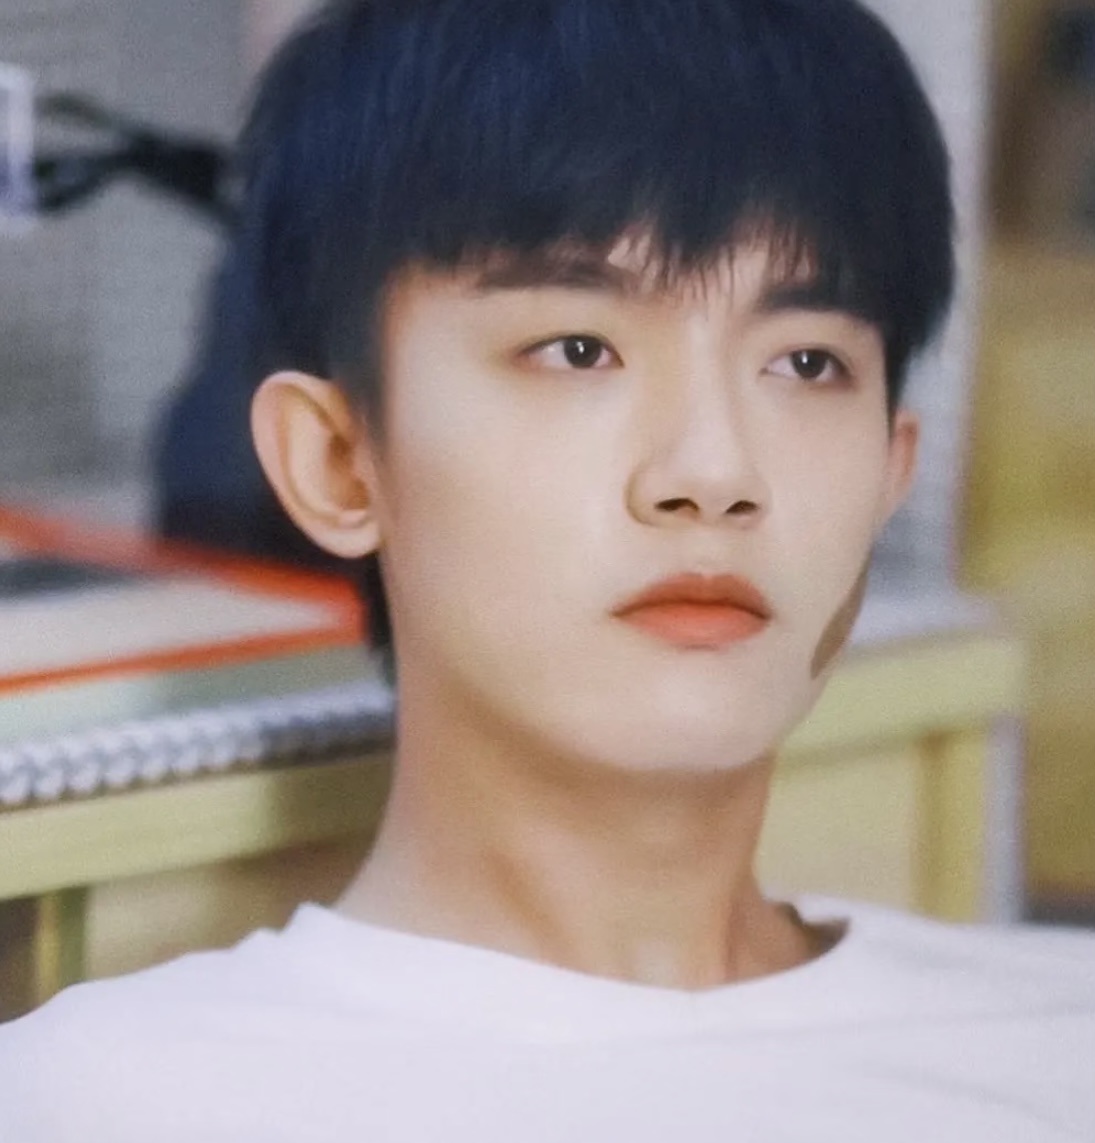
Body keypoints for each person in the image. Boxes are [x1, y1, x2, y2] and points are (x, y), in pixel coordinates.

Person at [2, 0, 1093, 1138]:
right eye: (579, 349)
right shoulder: (106, 1100)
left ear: (889, 469)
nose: (713, 473)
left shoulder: (1061, 1043)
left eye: (806, 363)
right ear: (337, 461)